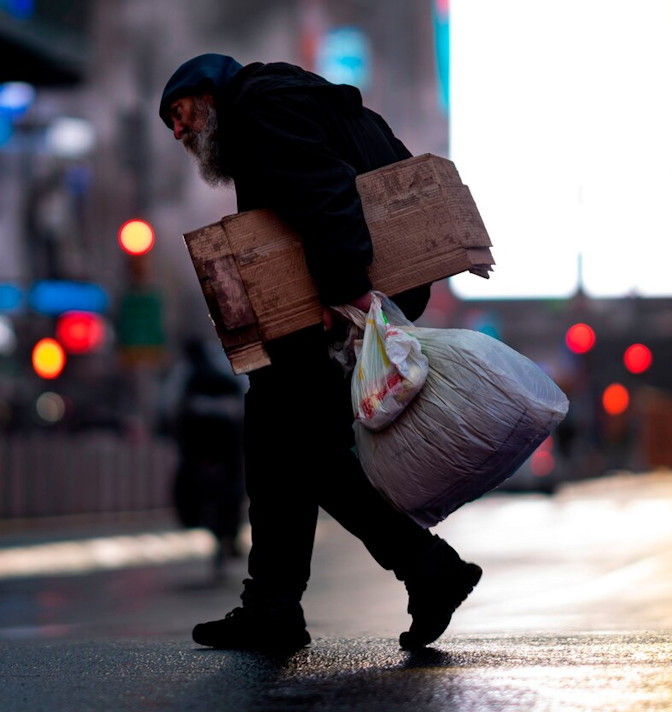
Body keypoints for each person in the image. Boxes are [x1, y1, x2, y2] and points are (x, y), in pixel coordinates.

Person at [159, 53, 481, 651]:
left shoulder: (258, 109)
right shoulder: (288, 98)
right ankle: (277, 604)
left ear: (208, 93)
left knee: (296, 443)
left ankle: (422, 570)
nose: (179, 132)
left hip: (339, 295)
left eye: (178, 115)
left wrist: (347, 293)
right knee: (291, 441)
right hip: (346, 294)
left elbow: (327, 193)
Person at [169, 337, 246, 580]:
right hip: (226, 443)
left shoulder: (185, 369)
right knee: (237, 485)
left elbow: (168, 403)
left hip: (198, 445)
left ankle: (212, 526)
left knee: (189, 482)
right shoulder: (232, 361)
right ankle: (230, 535)